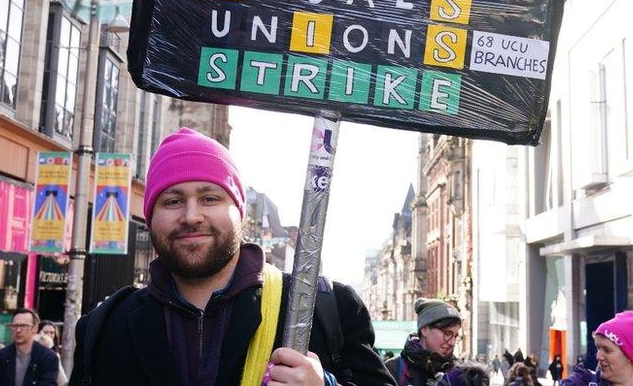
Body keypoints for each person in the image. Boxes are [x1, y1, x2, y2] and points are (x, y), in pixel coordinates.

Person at [71, 128, 394, 385]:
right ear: (150, 217)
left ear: (240, 213)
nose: (191, 215)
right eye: (172, 201)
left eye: (210, 198)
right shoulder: (103, 328)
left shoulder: (325, 309)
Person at [561, 311, 633, 386]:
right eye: (598, 348)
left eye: (607, 350)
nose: (598, 356)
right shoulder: (580, 382)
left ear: (629, 356)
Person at [385, 298, 462, 386]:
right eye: (447, 334)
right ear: (425, 330)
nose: (452, 342)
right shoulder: (393, 369)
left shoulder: (461, 374)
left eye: (455, 336)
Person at [0, 308, 59, 386]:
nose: (18, 330)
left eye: (23, 326)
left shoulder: (48, 357)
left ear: (35, 329)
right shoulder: (2, 355)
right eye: (15, 326)